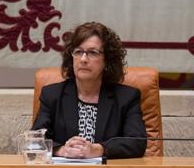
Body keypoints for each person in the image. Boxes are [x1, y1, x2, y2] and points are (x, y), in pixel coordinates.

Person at [31, 22, 147, 159]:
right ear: (71, 57)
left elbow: (137, 143)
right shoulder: (52, 95)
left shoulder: (126, 97)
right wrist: (61, 150)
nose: (83, 59)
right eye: (78, 52)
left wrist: (98, 149)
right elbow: (35, 140)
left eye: (92, 52)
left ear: (107, 61)